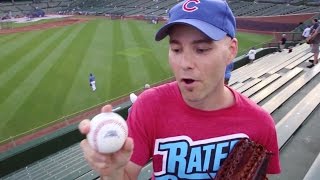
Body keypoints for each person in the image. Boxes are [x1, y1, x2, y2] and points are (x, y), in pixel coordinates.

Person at [78, 0, 281, 179]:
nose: (185, 63)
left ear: (231, 51)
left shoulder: (260, 124)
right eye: (176, 49)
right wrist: (113, 173)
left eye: (201, 49)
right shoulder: (148, 106)